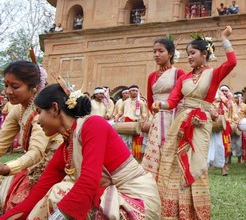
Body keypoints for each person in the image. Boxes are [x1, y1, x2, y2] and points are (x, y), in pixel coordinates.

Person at [1, 82, 161, 219]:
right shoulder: (66, 148)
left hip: (137, 202)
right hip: (110, 198)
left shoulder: (93, 125)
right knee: (54, 192)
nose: (37, 119)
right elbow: (37, 195)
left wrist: (55, 218)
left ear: (55, 108)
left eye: (39, 112)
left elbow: (89, 182)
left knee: (61, 191)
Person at [153, 26, 236, 219]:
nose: (189, 57)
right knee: (175, 163)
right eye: (188, 54)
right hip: (181, 123)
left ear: (204, 54)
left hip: (200, 122)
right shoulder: (184, 78)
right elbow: (173, 101)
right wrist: (160, 104)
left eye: (193, 53)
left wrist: (224, 38)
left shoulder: (214, 74)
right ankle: (175, 209)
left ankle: (195, 210)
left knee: (196, 163)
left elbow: (232, 61)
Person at [0, 61, 63, 213]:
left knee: (18, 206)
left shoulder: (42, 111)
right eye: (6, 85)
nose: (8, 91)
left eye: (15, 87)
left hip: (53, 169)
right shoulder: (18, 109)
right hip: (31, 167)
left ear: (34, 87)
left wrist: (9, 167)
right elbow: (1, 141)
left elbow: (37, 151)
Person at [142, 38, 185, 183]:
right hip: (158, 118)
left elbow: (184, 96)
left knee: (172, 149)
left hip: (174, 116)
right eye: (154, 51)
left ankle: (171, 182)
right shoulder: (151, 77)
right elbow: (150, 100)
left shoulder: (178, 73)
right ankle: (154, 182)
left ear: (171, 53)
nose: (156, 54)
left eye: (161, 51)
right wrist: (155, 117)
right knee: (157, 149)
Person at [117, 85, 148, 159]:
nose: (135, 92)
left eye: (136, 91)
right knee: (126, 141)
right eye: (133, 91)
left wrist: (144, 117)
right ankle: (126, 157)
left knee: (136, 141)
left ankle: (135, 158)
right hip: (126, 123)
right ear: (129, 92)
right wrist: (116, 117)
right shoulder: (125, 102)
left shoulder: (140, 102)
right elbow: (120, 112)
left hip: (136, 123)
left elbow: (144, 113)